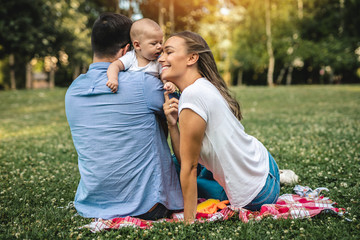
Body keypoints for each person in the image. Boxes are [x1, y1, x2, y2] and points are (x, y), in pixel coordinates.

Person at [65, 13, 183, 220]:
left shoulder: (73, 90)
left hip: (91, 205)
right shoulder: (144, 83)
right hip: (146, 206)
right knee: (200, 166)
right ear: (129, 49)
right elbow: (185, 113)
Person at [159, 31, 280, 223]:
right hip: (262, 166)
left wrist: (189, 221)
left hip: (258, 193)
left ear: (192, 58)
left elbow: (188, 166)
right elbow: (185, 159)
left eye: (168, 52)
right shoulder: (202, 86)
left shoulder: (192, 95)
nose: (161, 58)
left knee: (176, 174)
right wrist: (173, 124)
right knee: (180, 164)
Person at [106, 18, 176, 94]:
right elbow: (114, 66)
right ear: (137, 45)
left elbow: (164, 76)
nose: (159, 46)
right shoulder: (131, 57)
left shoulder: (158, 61)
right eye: (154, 43)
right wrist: (113, 79)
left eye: (161, 42)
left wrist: (168, 83)